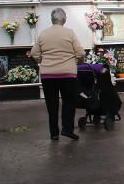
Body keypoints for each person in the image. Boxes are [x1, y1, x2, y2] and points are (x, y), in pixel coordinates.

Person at [28, 8, 84, 140]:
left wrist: (44, 61)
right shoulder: (69, 33)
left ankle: (54, 133)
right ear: (64, 20)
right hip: (67, 74)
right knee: (69, 102)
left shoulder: (43, 34)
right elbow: (80, 53)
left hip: (48, 75)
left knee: (51, 104)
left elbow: (34, 53)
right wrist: (78, 62)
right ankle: (67, 129)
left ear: (51, 20)